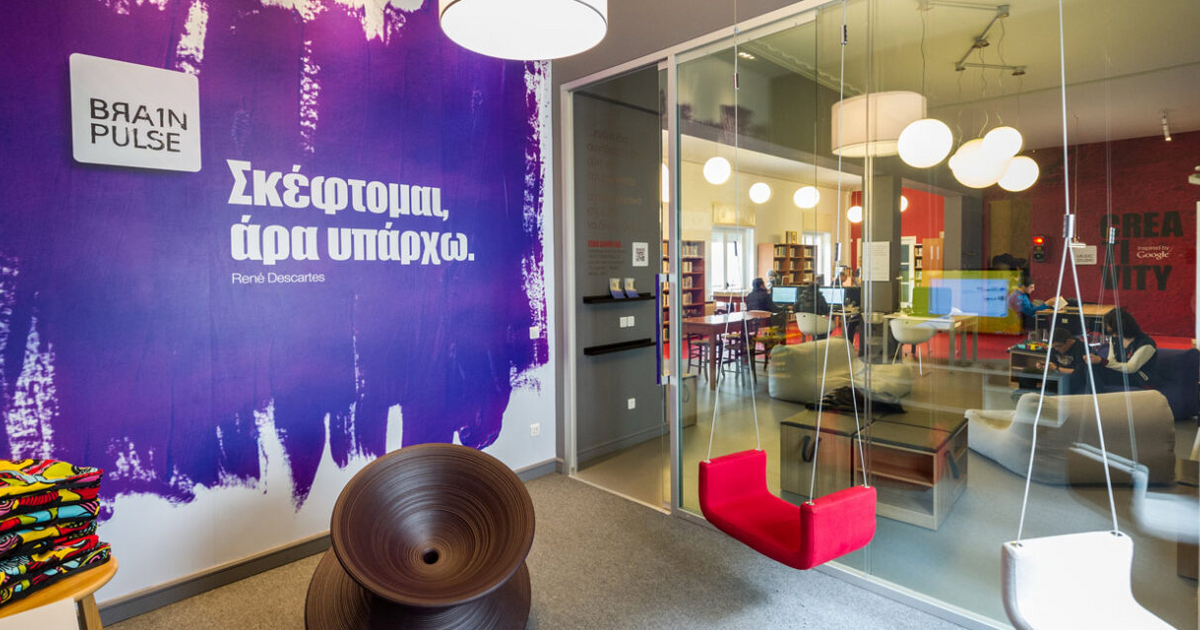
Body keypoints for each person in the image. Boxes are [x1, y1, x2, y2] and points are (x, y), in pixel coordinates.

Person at [1090, 308, 1158, 389]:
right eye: (1111, 332)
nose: (1113, 335)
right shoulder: (1114, 338)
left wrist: (1102, 361)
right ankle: (1094, 393)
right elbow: (1111, 361)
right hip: (1122, 373)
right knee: (1089, 368)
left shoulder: (1146, 344)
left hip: (1140, 378)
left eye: (1115, 332)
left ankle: (1097, 393)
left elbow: (1131, 368)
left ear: (1125, 328)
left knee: (1093, 372)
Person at [1035, 327, 1088, 394]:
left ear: (1069, 341)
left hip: (1076, 383)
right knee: (1030, 377)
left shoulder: (1082, 350)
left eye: (1059, 346)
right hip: (1058, 379)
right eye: (1054, 347)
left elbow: (1078, 372)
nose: (1056, 349)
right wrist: (1045, 365)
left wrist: (1056, 368)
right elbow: (1053, 363)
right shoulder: (1055, 348)